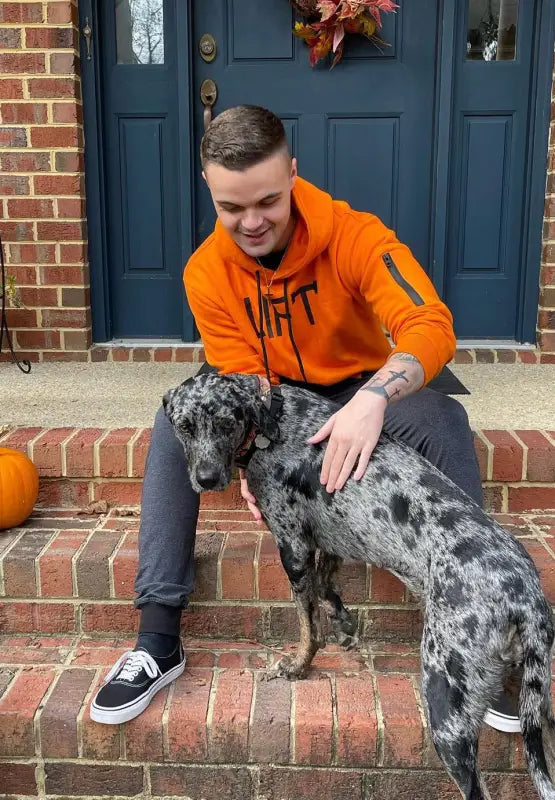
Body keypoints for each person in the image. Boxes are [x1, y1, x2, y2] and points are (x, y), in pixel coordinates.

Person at [90, 105, 519, 733]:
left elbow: (431, 324)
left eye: (268, 200)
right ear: (209, 187)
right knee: (170, 423)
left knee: (445, 419)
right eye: (232, 208)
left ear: (293, 173)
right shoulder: (205, 273)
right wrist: (248, 459)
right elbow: (241, 384)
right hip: (281, 399)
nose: (252, 221)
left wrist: (370, 401)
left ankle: (484, 634)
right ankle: (157, 639)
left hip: (368, 383)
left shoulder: (354, 235)